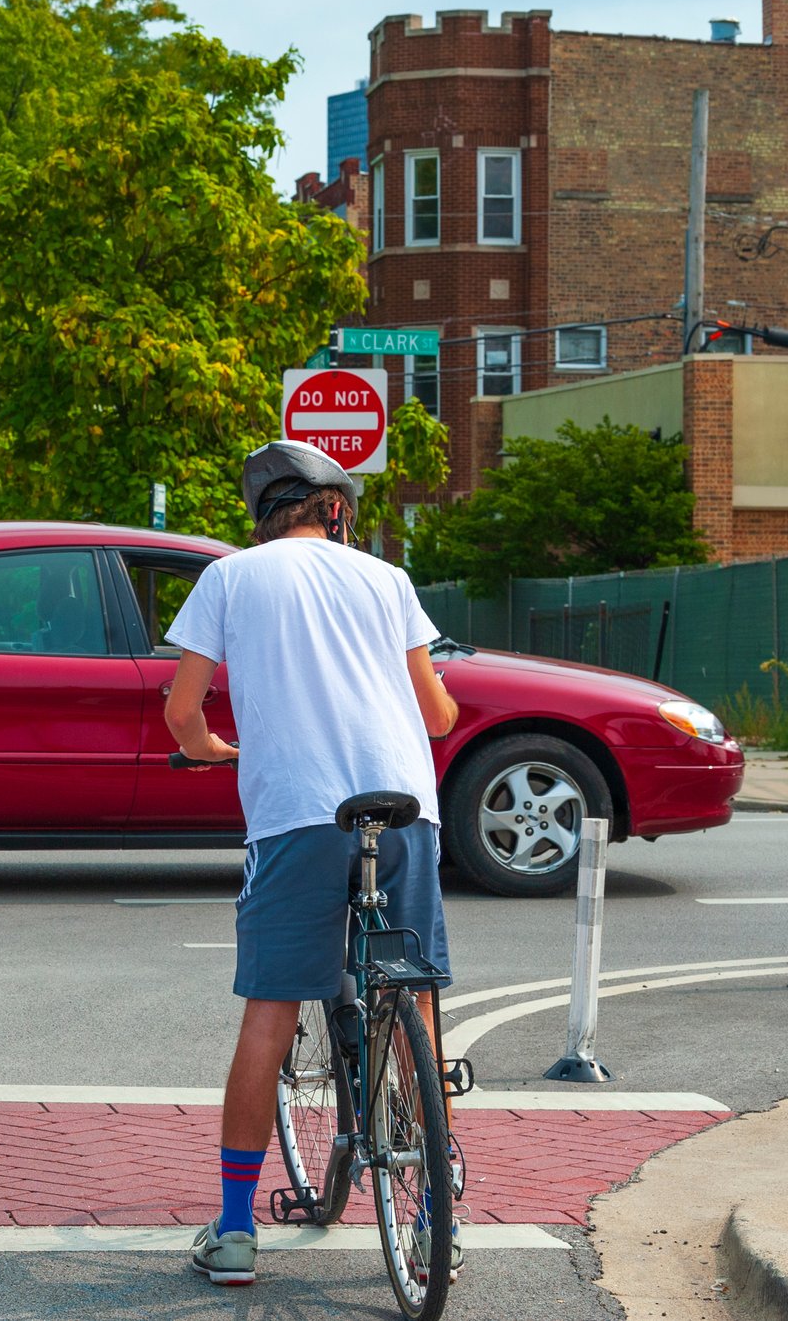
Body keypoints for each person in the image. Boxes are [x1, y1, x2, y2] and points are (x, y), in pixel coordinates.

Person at [161, 440, 459, 1288]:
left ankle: (232, 1232)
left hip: (299, 813)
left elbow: (182, 710)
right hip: (404, 809)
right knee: (416, 995)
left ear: (265, 513)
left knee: (272, 1012)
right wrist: (440, 704)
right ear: (335, 510)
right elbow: (435, 712)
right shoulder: (387, 581)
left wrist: (214, 748)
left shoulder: (229, 578)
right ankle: (437, 1208)